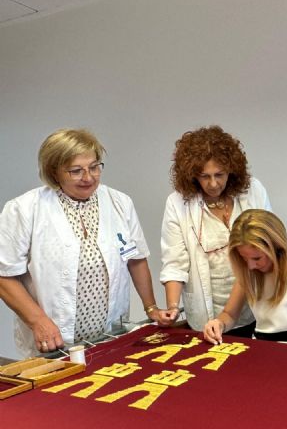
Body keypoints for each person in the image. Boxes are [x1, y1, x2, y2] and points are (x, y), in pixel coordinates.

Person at [0, 128, 170, 357]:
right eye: (76, 171)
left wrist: (151, 307)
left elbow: (136, 259)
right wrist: (38, 321)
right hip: (54, 342)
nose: (88, 177)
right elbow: (4, 276)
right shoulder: (24, 209)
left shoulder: (120, 202)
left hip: (111, 336)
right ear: (54, 172)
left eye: (94, 167)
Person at [160, 125, 271, 336]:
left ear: (232, 169)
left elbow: (270, 243)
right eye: (204, 176)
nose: (213, 184)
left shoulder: (253, 190)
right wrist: (173, 307)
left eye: (219, 174)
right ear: (192, 175)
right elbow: (174, 262)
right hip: (208, 317)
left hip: (256, 308)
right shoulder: (177, 203)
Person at [203, 209, 287, 348]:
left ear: (276, 247)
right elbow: (230, 314)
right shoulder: (247, 269)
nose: (250, 266)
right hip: (259, 349)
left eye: (257, 258)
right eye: (244, 258)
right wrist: (219, 324)